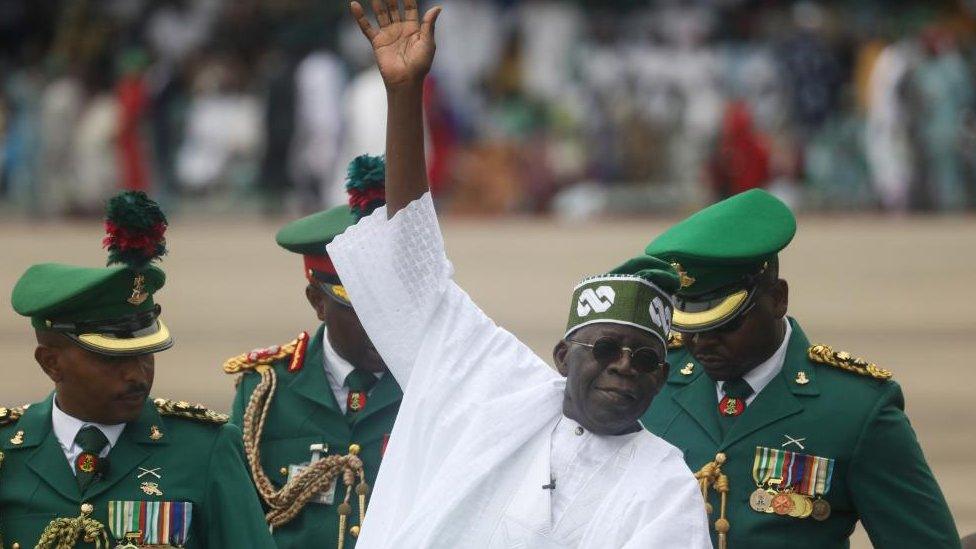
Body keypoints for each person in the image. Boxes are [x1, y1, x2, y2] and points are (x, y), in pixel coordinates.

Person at [322, 2, 712, 547]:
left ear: (662, 380)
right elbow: (417, 268)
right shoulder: (496, 391)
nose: (624, 367)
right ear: (561, 356)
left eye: (645, 359)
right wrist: (405, 95)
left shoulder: (665, 486)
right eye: (605, 349)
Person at [640, 189, 960, 548]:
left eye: (725, 325)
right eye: (691, 327)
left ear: (777, 299)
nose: (702, 343)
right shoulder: (654, 381)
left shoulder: (854, 408)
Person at [0, 192, 275, 549]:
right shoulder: (8, 454)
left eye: (147, 353)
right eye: (112, 359)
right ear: (51, 362)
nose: (138, 375)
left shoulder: (204, 450)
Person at [225, 155, 402, 549]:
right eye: (361, 309)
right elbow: (239, 519)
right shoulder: (265, 392)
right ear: (318, 303)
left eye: (390, 304)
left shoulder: (426, 383)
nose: (381, 323)